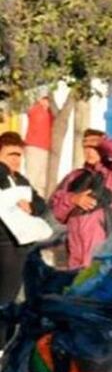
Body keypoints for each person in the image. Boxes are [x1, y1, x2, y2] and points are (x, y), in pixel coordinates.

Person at [50, 129, 112, 269]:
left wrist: (103, 143)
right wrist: (73, 199)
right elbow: (56, 209)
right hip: (75, 255)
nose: (89, 151)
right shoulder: (74, 177)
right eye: (86, 147)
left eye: (94, 147)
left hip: (104, 256)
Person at [0, 131, 47, 347]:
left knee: (9, 297)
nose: (16, 160)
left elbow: (41, 204)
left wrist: (32, 207)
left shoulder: (21, 180)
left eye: (19, 155)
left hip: (17, 246)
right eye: (11, 154)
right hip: (3, 244)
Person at [24, 94, 55, 195]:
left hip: (46, 149)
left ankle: (40, 204)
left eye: (47, 99)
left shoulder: (51, 112)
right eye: (44, 99)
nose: (46, 102)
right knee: (32, 178)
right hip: (34, 147)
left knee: (42, 181)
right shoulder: (35, 109)